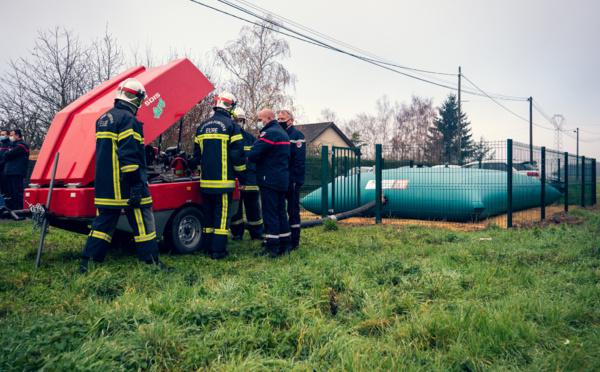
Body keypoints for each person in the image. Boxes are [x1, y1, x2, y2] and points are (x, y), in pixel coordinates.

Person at [80, 78, 170, 273]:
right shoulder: (129, 120)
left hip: (105, 186)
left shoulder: (103, 119)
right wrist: (137, 185)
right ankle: (151, 263)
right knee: (144, 221)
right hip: (126, 185)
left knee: (102, 225)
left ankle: (88, 263)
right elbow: (129, 156)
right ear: (136, 99)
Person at [193, 92, 246, 259]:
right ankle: (218, 251)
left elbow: (196, 157)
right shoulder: (232, 126)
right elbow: (237, 156)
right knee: (222, 218)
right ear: (230, 106)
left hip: (205, 183)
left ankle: (207, 247)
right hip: (223, 183)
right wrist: (242, 177)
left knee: (208, 217)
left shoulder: (201, 126)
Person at [248, 109, 291, 257]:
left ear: (269, 118)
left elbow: (254, 154)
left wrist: (251, 151)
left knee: (270, 213)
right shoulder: (283, 133)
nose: (259, 122)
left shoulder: (269, 133)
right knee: (281, 212)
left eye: (260, 119)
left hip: (269, 179)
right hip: (281, 179)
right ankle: (285, 244)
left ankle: (272, 247)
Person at [230, 108, 263, 240]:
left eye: (240, 120)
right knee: (236, 212)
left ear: (244, 121)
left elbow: (255, 160)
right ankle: (237, 234)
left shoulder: (251, 139)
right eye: (236, 120)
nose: (238, 123)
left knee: (253, 210)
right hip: (235, 182)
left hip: (250, 182)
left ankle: (256, 233)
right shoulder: (228, 139)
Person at [278, 110, 306, 250]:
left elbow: (299, 160)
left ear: (291, 120)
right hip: (282, 179)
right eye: (278, 118)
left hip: (293, 179)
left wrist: (295, 179)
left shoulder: (297, 135)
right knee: (281, 209)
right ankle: (285, 238)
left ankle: (295, 241)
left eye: (282, 118)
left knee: (293, 210)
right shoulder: (281, 134)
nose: (280, 120)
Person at [2, 129, 30, 210]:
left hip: (17, 172)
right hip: (10, 172)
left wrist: (8, 152)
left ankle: (19, 209)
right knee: (11, 193)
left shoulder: (22, 145)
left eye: (12, 135)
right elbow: (6, 155)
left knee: (17, 192)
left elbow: (8, 154)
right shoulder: (13, 145)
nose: (10, 137)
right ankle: (13, 209)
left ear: (17, 135)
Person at [0, 128, 10, 196]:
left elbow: (6, 158)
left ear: (8, 135)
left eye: (3, 134)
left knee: (6, 188)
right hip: (1, 169)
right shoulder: (1, 145)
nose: (1, 136)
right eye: (1, 135)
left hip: (5, 170)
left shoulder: (9, 145)